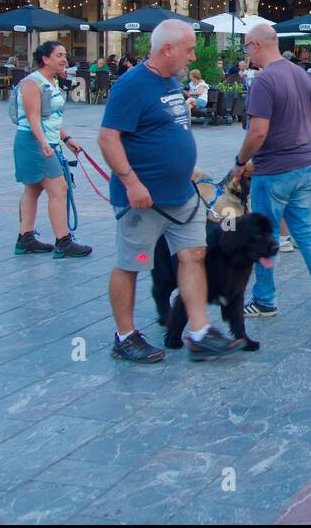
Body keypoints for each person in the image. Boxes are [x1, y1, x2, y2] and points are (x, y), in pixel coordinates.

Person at [97, 20, 244, 362]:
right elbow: (107, 138)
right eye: (189, 49)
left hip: (182, 194)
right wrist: (131, 182)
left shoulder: (171, 81)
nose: (193, 56)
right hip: (143, 197)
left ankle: (199, 331)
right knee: (131, 263)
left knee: (193, 254)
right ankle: (124, 336)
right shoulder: (131, 86)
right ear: (167, 50)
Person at [236, 24, 311, 317]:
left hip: (273, 171)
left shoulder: (263, 81)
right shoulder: (299, 72)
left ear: (257, 45)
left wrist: (240, 161)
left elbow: (258, 132)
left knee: (265, 236)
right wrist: (303, 145)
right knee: (306, 233)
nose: (247, 54)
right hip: (305, 165)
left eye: (247, 47)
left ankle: (264, 300)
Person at [12, 41, 92, 258]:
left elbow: (52, 117)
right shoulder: (31, 83)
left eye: (64, 55)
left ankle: (25, 237)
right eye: (59, 55)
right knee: (59, 189)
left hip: (44, 141)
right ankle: (63, 241)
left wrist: (66, 138)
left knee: (33, 189)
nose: (64, 59)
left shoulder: (52, 81)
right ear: (45, 59)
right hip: (33, 142)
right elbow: (33, 116)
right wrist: (44, 142)